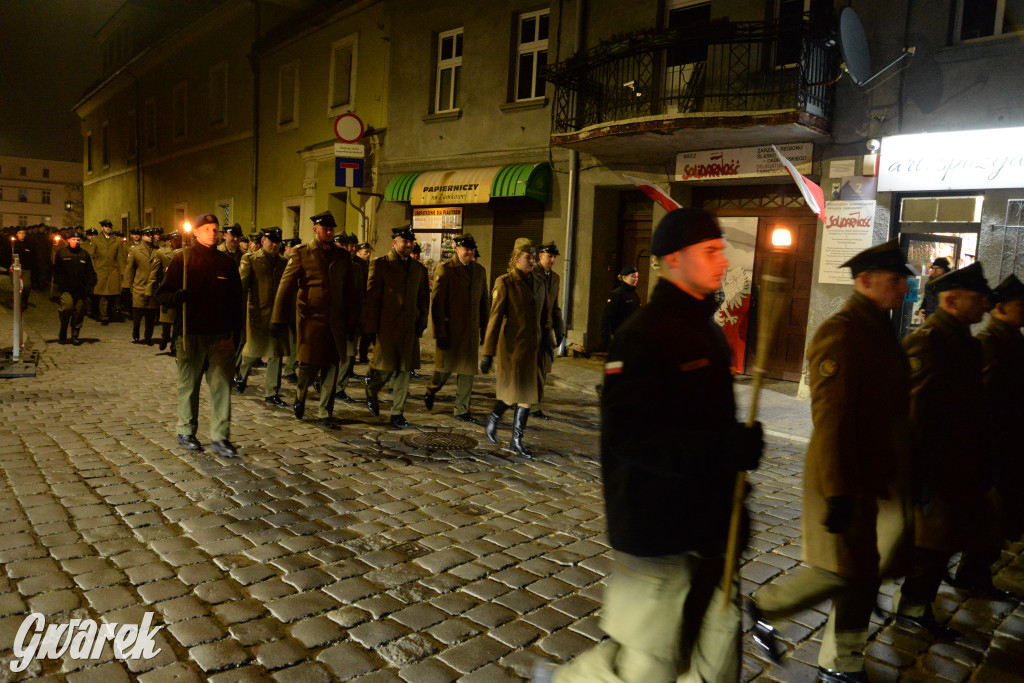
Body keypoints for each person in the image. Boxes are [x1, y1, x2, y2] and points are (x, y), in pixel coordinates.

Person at [541, 208, 763, 683]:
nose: (722, 261)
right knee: (646, 668)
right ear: (674, 260)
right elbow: (633, 439)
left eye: (721, 250)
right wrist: (722, 451)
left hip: (711, 528)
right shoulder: (640, 336)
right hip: (659, 527)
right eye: (710, 252)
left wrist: (737, 456)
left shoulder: (707, 330)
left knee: (716, 661)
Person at [748, 240, 914, 683]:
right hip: (842, 475)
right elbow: (833, 420)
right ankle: (765, 607)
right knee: (844, 570)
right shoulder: (842, 333)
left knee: (861, 574)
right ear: (865, 282)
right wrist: (840, 491)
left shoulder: (877, 328)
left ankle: (843, 664)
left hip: (873, 475)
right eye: (897, 280)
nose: (905, 289)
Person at [892, 262, 992, 638]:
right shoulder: (929, 341)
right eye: (978, 298)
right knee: (931, 543)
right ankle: (912, 609)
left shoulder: (963, 340)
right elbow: (914, 414)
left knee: (945, 540)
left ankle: (918, 604)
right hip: (936, 469)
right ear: (951, 300)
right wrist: (919, 475)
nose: (985, 305)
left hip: (959, 464)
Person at [950, 274, 1024, 596]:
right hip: (996, 448)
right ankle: (967, 574)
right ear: (1000, 309)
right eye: (1021, 306)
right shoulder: (991, 344)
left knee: (998, 519)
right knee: (990, 519)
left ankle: (973, 573)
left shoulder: (1011, 340)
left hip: (1009, 446)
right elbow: (985, 399)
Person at [156, 213, 243, 457]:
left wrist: (237, 333)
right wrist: (175, 297)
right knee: (189, 385)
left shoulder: (226, 262)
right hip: (190, 334)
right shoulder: (181, 260)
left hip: (220, 335)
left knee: (222, 387)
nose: (212, 233)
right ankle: (186, 431)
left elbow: (237, 300)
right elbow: (161, 295)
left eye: (215, 229)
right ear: (195, 232)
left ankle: (220, 437)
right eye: (206, 229)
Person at [270, 211, 360, 430]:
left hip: (335, 321)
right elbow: (286, 285)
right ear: (315, 229)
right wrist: (278, 318)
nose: (328, 233)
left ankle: (324, 413)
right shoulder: (302, 253)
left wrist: (352, 320)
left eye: (331, 230)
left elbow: (350, 290)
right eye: (325, 229)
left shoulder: (342, 255)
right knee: (308, 366)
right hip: (310, 319)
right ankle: (300, 396)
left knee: (332, 366)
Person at [480, 238, 552, 457]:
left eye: (533, 257)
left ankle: (516, 440)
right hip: (513, 348)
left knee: (528, 395)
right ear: (515, 259)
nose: (531, 261)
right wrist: (488, 353)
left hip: (535, 348)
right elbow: (494, 319)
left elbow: (545, 316)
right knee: (514, 394)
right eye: (527, 257)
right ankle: (495, 417)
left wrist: (548, 343)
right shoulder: (505, 282)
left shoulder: (540, 282)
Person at [364, 226, 430, 428]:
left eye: (411, 242)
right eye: (405, 241)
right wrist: (370, 328)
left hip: (409, 329)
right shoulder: (381, 265)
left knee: (404, 371)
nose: (409, 245)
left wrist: (421, 323)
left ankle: (397, 413)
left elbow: (423, 299)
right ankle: (372, 390)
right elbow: (372, 297)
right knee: (384, 370)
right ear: (395, 243)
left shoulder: (419, 269)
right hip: (387, 328)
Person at [424, 234, 489, 422]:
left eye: (471, 249)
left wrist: (485, 328)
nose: (469, 252)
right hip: (450, 331)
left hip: (470, 332)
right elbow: (437, 305)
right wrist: (440, 333)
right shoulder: (445, 269)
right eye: (465, 249)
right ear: (457, 249)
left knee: (468, 372)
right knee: (443, 371)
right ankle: (431, 389)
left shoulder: (479, 271)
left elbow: (484, 302)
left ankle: (461, 409)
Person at [236, 228, 289, 408]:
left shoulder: (284, 262)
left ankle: (271, 392)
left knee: (276, 354)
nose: (274, 245)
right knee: (253, 351)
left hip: (277, 315)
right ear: (263, 241)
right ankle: (241, 374)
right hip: (257, 314)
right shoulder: (250, 259)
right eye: (270, 241)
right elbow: (241, 286)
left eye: (277, 242)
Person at [532, 241, 565, 420]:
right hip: (531, 329)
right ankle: (521, 401)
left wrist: (559, 329)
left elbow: (555, 306)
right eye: (549, 256)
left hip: (546, 330)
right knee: (530, 367)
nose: (552, 260)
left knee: (543, 368)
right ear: (540, 256)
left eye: (554, 257)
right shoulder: (531, 273)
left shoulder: (555, 278)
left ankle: (535, 405)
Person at [52, 229, 97, 345]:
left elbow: (90, 271)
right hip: (66, 288)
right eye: (73, 239)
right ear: (68, 240)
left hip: (81, 289)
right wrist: (60, 282)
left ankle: (75, 334)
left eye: (78, 240)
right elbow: (56, 270)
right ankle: (63, 328)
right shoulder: (62, 253)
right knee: (67, 308)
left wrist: (90, 284)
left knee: (79, 312)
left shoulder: (84, 254)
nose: (76, 242)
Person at [123, 227, 160, 344]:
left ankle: (148, 336)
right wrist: (126, 286)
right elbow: (129, 269)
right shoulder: (135, 250)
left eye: (152, 235)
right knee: (138, 312)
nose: (150, 237)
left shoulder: (158, 250)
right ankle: (136, 330)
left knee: (151, 314)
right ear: (143, 236)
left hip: (153, 287)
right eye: (148, 235)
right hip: (139, 285)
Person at [148, 232, 180, 353]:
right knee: (166, 319)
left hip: (180, 289)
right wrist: (149, 289)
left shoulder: (186, 252)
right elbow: (155, 271)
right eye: (174, 239)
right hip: (167, 287)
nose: (176, 241)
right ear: (170, 240)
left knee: (178, 320)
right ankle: (165, 337)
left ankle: (174, 345)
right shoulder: (161, 252)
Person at [90, 219, 127, 325]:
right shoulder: (96, 240)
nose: (108, 228)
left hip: (113, 271)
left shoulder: (117, 240)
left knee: (113, 294)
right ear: (102, 228)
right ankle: (104, 316)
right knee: (103, 295)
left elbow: (120, 258)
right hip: (100, 271)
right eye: (106, 226)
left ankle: (111, 313)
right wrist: (93, 270)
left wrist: (122, 273)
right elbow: (91, 256)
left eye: (109, 226)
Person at [600, 265, 642, 349]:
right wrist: (606, 340)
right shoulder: (616, 294)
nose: (636, 279)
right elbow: (606, 318)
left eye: (637, 277)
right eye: (633, 276)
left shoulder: (635, 295)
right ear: (624, 277)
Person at [7, 228, 34, 308]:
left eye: (23, 233)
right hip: (15, 268)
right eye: (20, 233)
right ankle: (17, 302)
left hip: (25, 268)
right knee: (16, 286)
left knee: (26, 285)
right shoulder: (13, 245)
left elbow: (32, 256)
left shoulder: (28, 244)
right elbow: (7, 256)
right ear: (16, 234)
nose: (22, 235)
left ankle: (24, 300)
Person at [918, 257, 950, 322]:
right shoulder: (929, 284)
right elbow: (926, 299)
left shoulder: (949, 286)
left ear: (945, 270)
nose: (935, 270)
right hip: (929, 321)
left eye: (939, 268)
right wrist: (921, 309)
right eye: (933, 268)